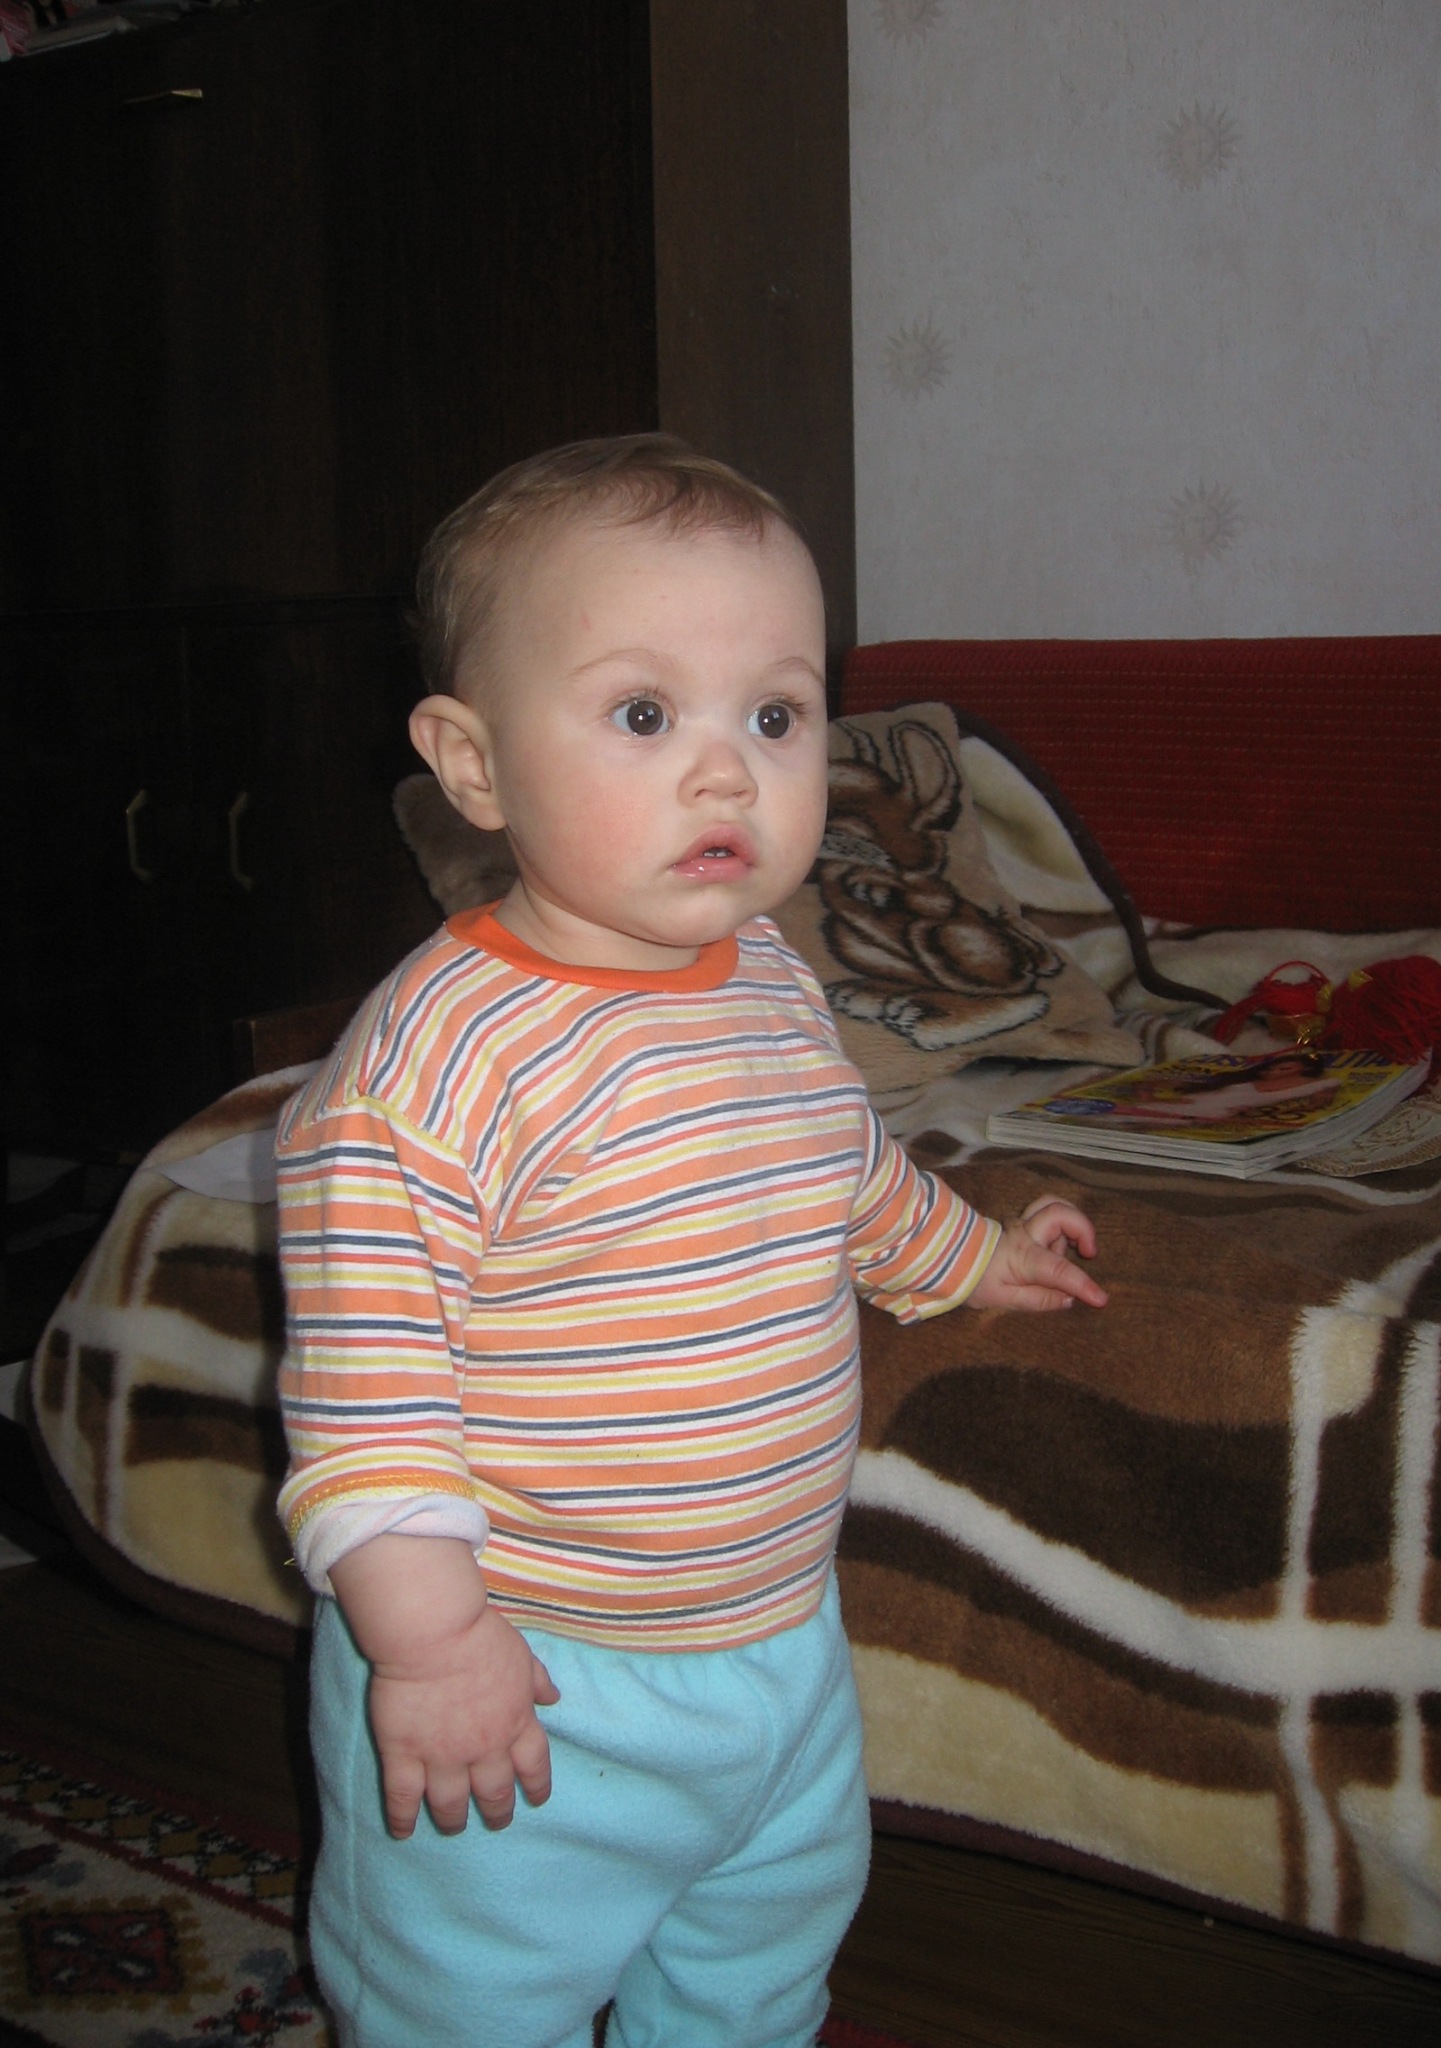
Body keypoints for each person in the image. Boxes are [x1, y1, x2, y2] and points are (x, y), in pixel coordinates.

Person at [275, 433, 1107, 2048]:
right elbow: (373, 1407)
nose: (728, 774)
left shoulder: (773, 983)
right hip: (527, 1675)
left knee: (756, 1971)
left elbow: (843, 1174)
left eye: (775, 716)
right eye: (646, 716)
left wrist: (971, 1260)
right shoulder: (428, 1073)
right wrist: (428, 1646)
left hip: (778, 1650)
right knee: (467, 2005)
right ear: (474, 765)